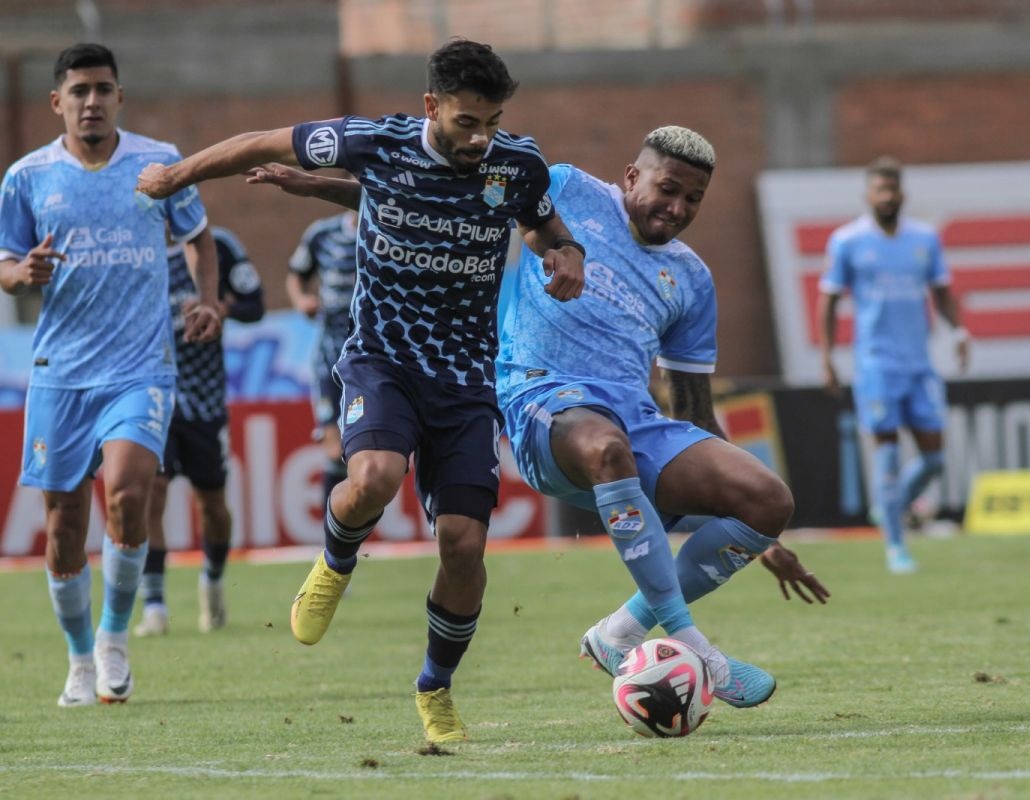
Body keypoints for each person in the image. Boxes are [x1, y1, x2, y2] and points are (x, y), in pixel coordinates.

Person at [136, 38, 585, 743]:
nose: (481, 137)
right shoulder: (375, 140)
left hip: (467, 376)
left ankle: (435, 690)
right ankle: (335, 561)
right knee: (372, 475)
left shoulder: (515, 164)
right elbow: (261, 140)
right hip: (382, 357)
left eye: (493, 121)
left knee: (464, 546)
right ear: (431, 105)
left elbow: (541, 226)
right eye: (468, 121)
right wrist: (174, 176)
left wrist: (567, 257)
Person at [496, 126, 831, 707]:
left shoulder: (693, 278)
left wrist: (758, 534)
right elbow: (455, 198)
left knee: (768, 498)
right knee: (605, 446)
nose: (677, 209)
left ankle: (619, 634)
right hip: (540, 401)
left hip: (635, 421)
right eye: (667, 189)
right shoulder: (567, 189)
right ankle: (697, 648)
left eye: (693, 199)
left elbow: (694, 410)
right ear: (632, 176)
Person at [0, 43, 220, 706]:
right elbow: (6, 262)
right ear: (57, 102)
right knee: (64, 520)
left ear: (119, 97)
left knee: (128, 492)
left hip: (139, 366)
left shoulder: (157, 162)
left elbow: (199, 237)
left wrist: (206, 299)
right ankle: (77, 660)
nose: (91, 101)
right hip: (60, 372)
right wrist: (20, 276)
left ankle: (114, 639)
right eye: (79, 91)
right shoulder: (27, 177)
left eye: (102, 89)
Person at [817, 157, 969, 575]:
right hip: (876, 364)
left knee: (934, 459)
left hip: (919, 363)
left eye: (892, 189)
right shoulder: (848, 240)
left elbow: (941, 291)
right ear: (868, 196)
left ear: (902, 194)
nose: (886, 196)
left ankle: (892, 503)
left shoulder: (924, 239)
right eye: (878, 190)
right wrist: (827, 356)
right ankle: (897, 548)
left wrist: (958, 333)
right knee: (885, 449)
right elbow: (829, 299)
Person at [134, 227, 265, 637]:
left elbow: (254, 304)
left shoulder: (218, 246)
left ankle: (212, 579)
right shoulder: (131, 246)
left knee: (211, 502)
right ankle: (154, 605)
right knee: (151, 491)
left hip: (205, 398)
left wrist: (217, 308)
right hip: (149, 393)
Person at [285, 211, 357, 512]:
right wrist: (301, 300)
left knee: (358, 454)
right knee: (333, 449)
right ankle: (332, 538)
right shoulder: (322, 233)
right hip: (328, 361)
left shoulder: (389, 229)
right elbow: (295, 275)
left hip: (367, 361)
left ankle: (348, 529)